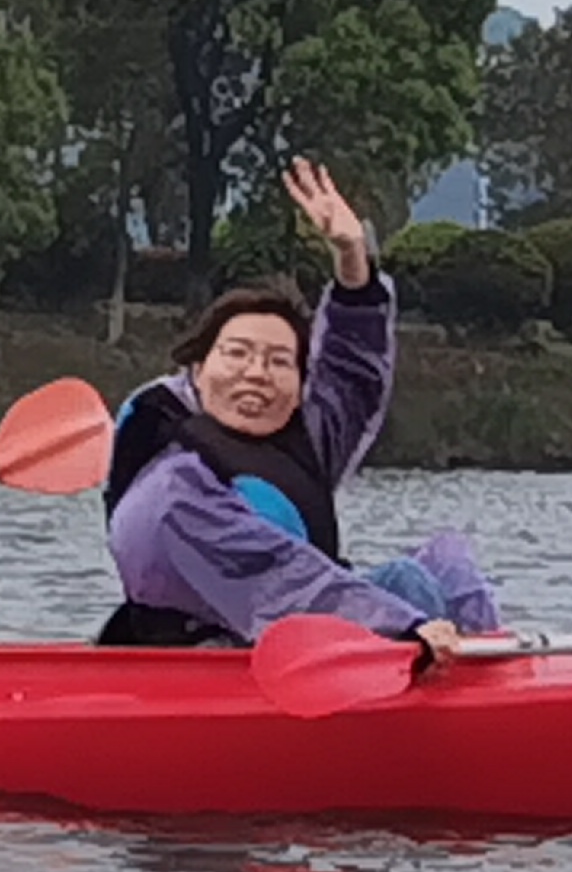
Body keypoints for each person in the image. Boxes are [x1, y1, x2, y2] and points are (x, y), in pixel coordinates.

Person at [98, 157, 507, 661]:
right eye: (238, 354)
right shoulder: (171, 491)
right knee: (406, 585)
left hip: (307, 646)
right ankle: (447, 704)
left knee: (445, 560)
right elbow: (282, 582)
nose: (257, 373)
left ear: (297, 382)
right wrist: (405, 627)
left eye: (278, 361)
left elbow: (353, 375)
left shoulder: (299, 440)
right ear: (198, 371)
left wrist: (352, 257)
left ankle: (492, 680)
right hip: (213, 660)